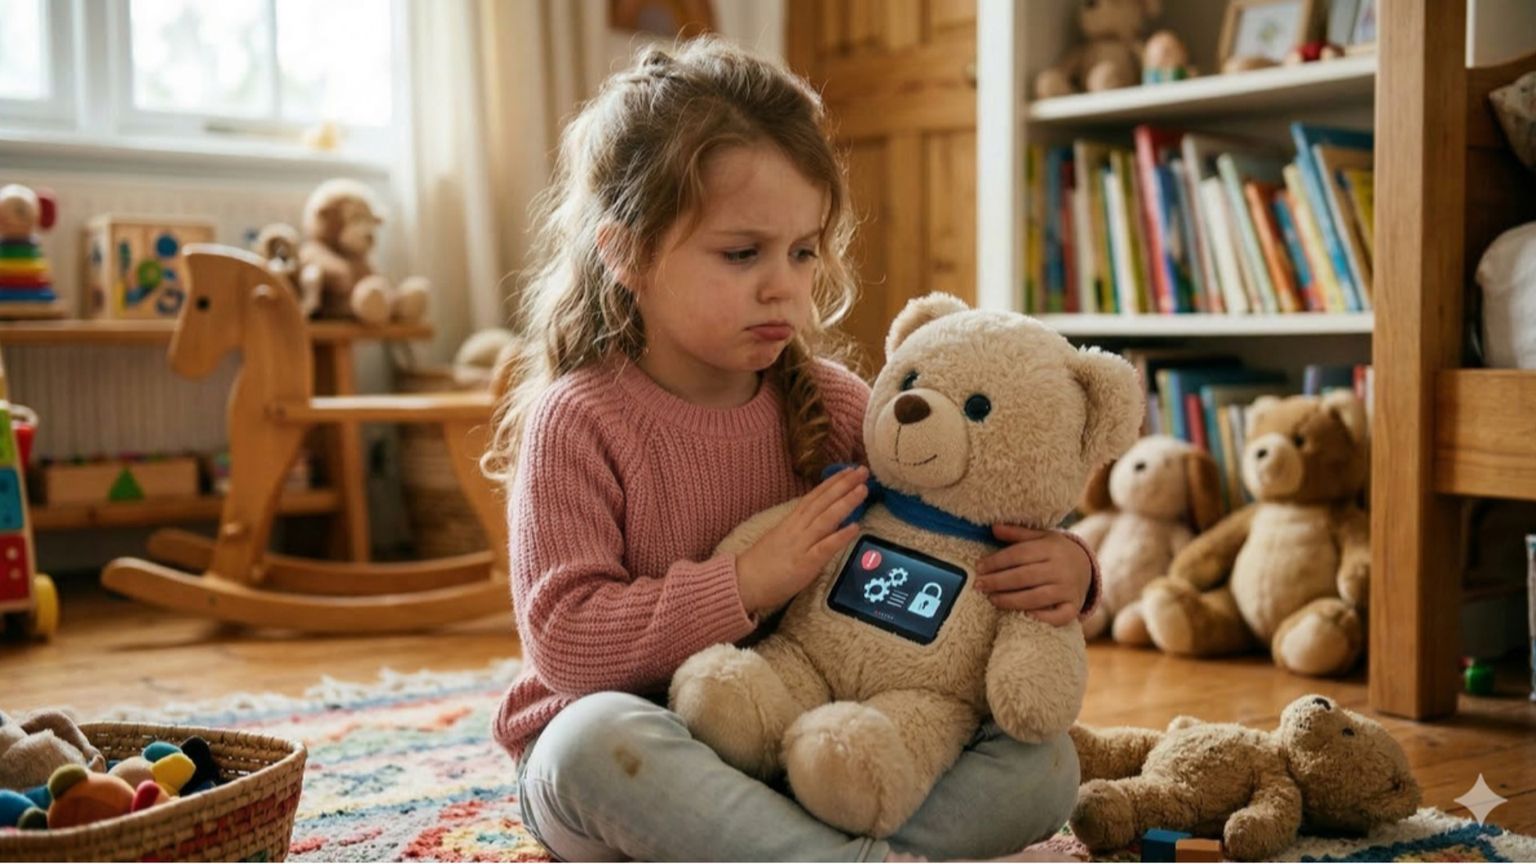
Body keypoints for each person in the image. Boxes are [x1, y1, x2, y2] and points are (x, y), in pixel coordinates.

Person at [482, 36, 1100, 862]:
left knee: (1042, 766)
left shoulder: (837, 405)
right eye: (742, 254)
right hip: (650, 757)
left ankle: (784, 848)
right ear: (625, 253)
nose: (784, 285)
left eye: (803, 251)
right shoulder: (579, 420)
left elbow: (961, 518)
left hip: (808, 749)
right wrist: (745, 581)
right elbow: (565, 641)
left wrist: (1071, 570)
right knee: (589, 744)